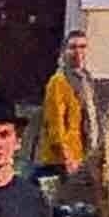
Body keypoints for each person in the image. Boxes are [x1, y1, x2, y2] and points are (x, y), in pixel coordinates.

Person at [38, 34, 95, 185]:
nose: (78, 52)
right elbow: (55, 123)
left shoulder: (85, 79)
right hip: (61, 159)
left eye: (82, 47)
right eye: (73, 47)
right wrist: (67, 158)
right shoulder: (59, 81)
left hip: (81, 152)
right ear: (64, 51)